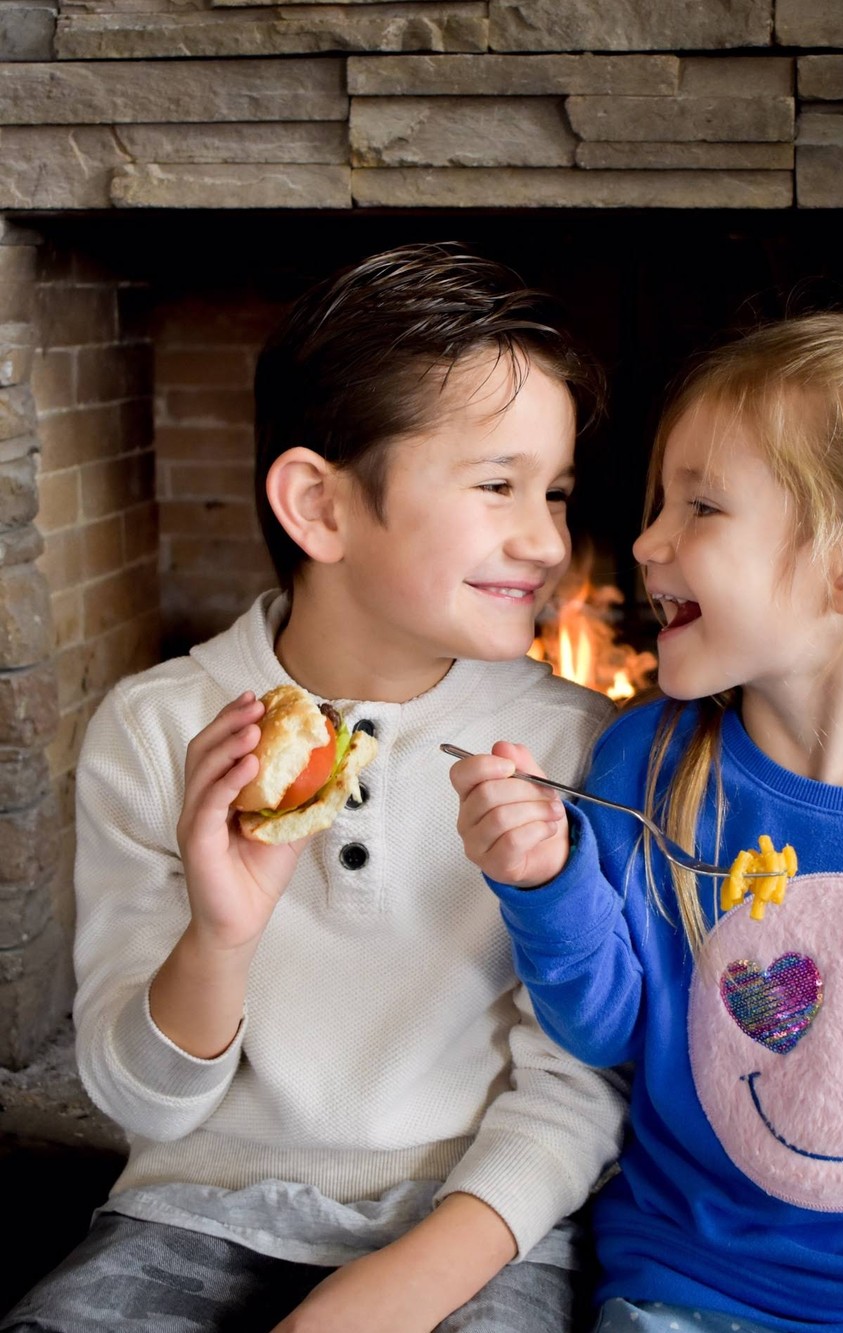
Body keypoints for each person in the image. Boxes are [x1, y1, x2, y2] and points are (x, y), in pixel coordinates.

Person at [1, 243, 626, 1333]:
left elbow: (581, 1085)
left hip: (474, 1219)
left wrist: (396, 1290)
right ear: (320, 508)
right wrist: (220, 936)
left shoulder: (575, 744)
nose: (547, 541)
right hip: (192, 1212)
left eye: (558, 492)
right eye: (497, 486)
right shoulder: (155, 733)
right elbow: (138, 1099)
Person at [450, 312, 843, 1332]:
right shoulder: (646, 760)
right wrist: (544, 880)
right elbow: (610, 1026)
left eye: (700, 506)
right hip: (684, 1290)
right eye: (661, 502)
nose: (648, 540)